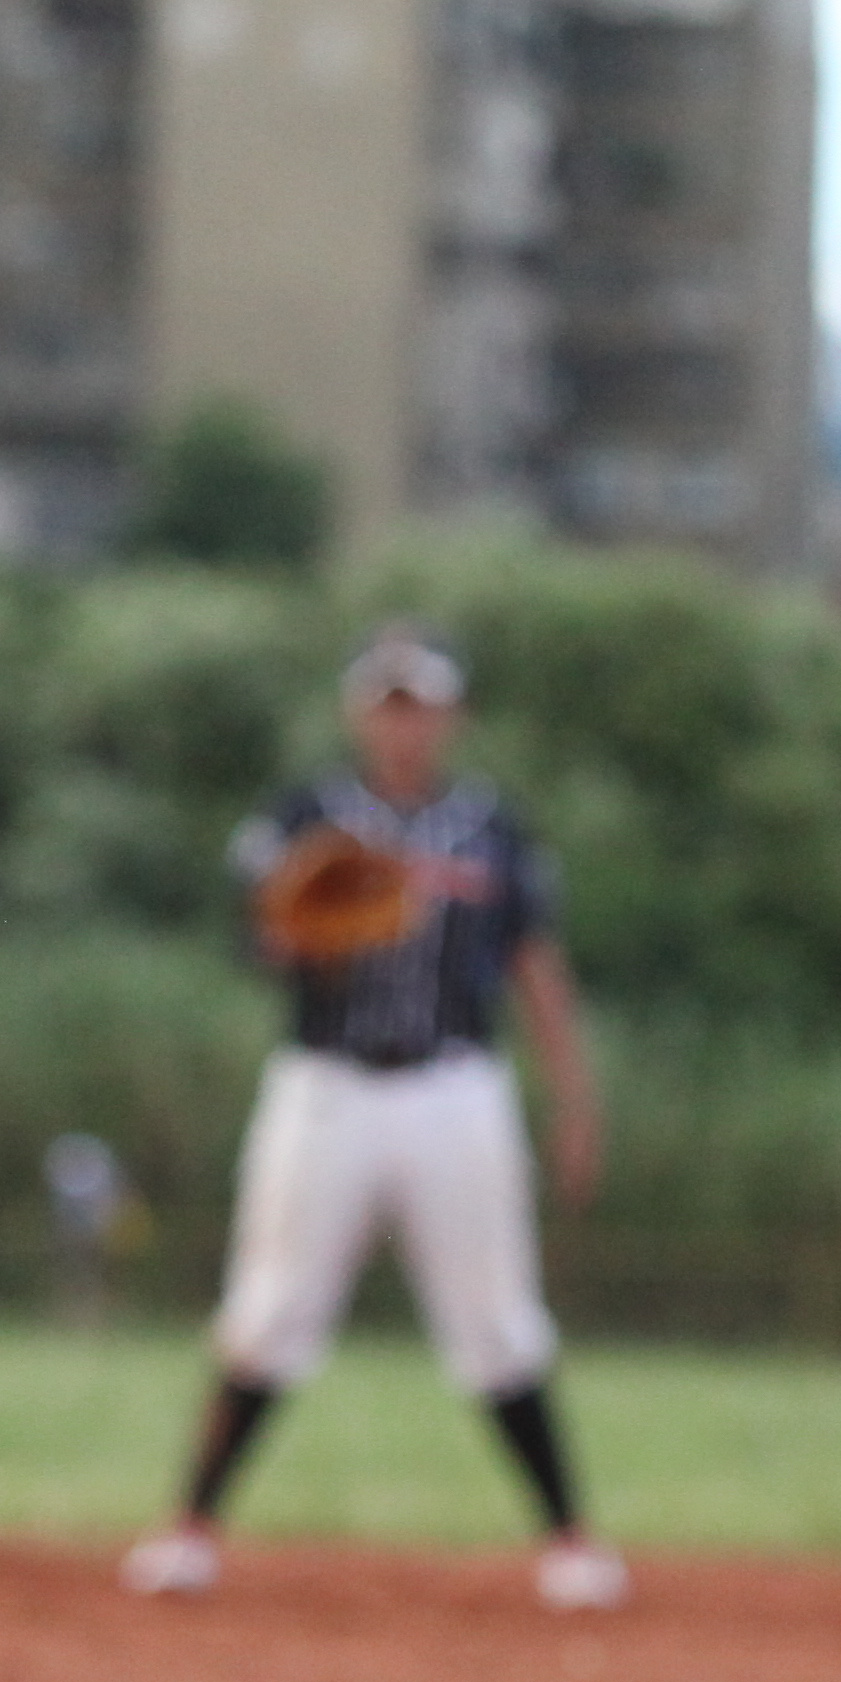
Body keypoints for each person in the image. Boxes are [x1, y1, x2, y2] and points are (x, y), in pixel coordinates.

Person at [125, 627, 620, 1611]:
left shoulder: (493, 827)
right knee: (270, 1311)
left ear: (450, 717)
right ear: (360, 715)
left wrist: (574, 1100)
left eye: (419, 706)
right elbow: (262, 933)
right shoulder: (307, 814)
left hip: (457, 1086)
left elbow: (536, 962)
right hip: (328, 1086)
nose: (403, 725)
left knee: (498, 1318)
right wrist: (304, 921)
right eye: (388, 705)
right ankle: (190, 1529)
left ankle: (570, 1541)